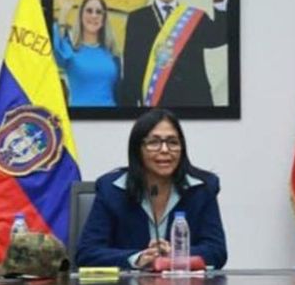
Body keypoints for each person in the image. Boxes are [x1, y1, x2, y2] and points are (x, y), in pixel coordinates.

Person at [76, 108, 227, 269]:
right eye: (154, 143)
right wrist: (137, 258)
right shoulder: (112, 190)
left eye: (173, 142)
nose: (165, 150)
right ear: (137, 149)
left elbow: (217, 252)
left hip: (185, 284)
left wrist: (177, 254)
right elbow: (87, 253)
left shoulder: (202, 189)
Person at [120, 0, 228, 108]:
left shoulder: (195, 17)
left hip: (195, 104)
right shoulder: (137, 19)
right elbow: (131, 70)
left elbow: (221, 36)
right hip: (157, 107)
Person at [52, 0, 120, 106]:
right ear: (81, 16)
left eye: (99, 12)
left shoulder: (112, 53)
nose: (94, 15)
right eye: (89, 11)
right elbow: (57, 52)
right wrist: (63, 13)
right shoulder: (71, 50)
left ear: (103, 19)